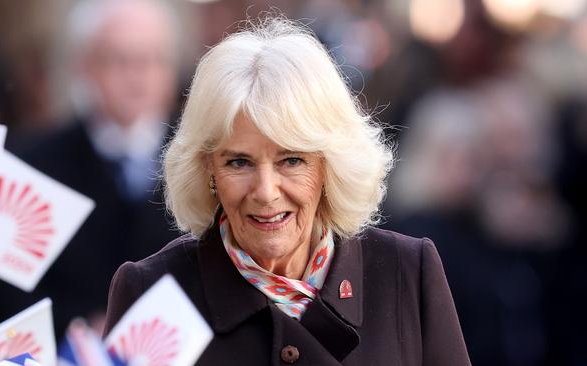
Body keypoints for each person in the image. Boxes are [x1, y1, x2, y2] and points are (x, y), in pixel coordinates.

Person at [104, 17, 471, 365]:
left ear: (330, 164)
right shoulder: (152, 291)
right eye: (238, 162)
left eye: (291, 160)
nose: (265, 192)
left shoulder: (406, 273)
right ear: (208, 170)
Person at [0, 0, 181, 339]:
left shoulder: (204, 162)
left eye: (153, 59)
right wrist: (77, 329)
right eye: (120, 59)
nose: (138, 74)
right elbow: (1, 290)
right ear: (86, 66)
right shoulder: (33, 163)